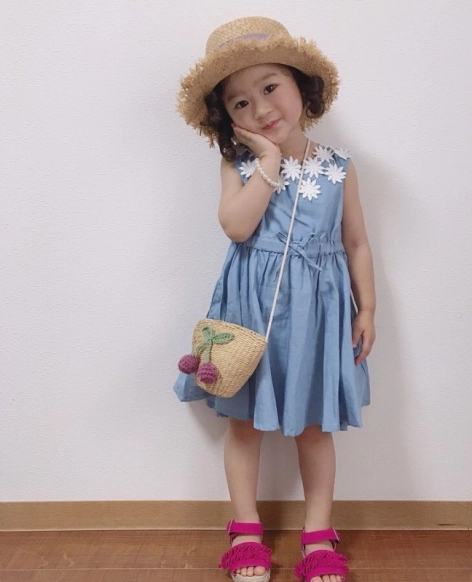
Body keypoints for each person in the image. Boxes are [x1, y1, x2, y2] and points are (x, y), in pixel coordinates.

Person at [173, 16, 376, 582]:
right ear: (228, 118)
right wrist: (267, 162)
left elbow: (356, 243)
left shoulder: (338, 169)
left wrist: (367, 307)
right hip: (251, 313)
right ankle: (245, 530)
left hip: (317, 315)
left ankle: (318, 533)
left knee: (314, 425)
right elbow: (237, 227)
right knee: (244, 423)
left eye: (269, 87)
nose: (260, 109)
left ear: (300, 86)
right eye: (240, 103)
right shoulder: (238, 165)